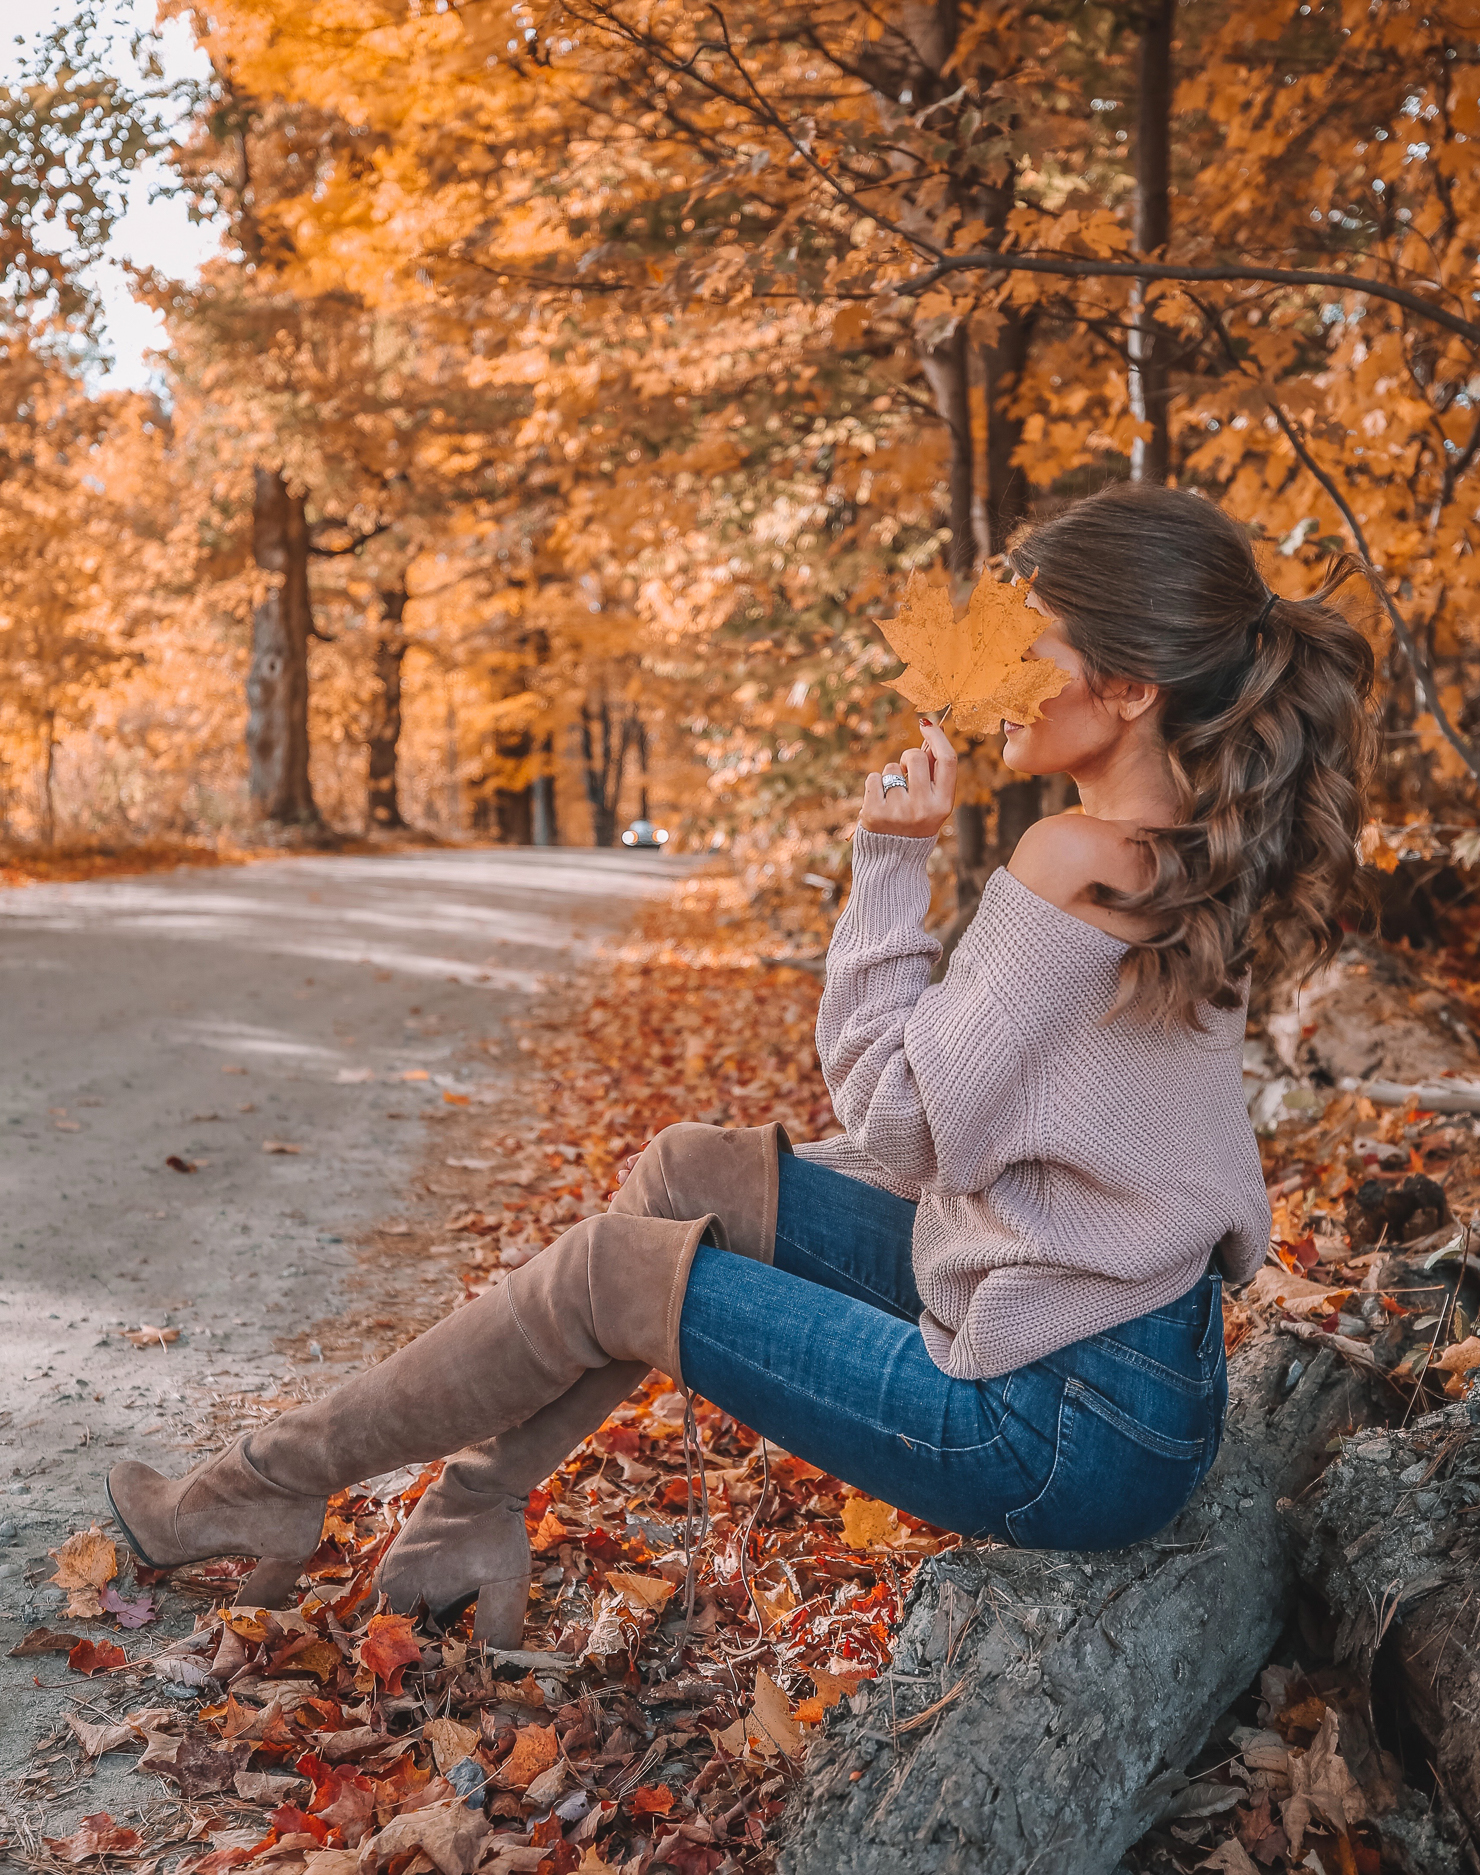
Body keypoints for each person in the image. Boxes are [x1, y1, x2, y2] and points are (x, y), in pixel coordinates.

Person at [107, 483, 1376, 1645]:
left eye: (1028, 641)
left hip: (1053, 1424)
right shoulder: (1192, 851)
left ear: (1133, 683)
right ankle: (471, 1512)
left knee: (613, 1267)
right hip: (1132, 1363)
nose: (993, 673)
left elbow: (898, 1127)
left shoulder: (1067, 860)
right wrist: (773, 1192)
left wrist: (889, 862)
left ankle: (262, 1486)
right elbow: (1020, 1132)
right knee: (690, 1170)